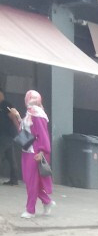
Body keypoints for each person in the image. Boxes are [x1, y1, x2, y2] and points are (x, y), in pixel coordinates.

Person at [10, 91, 53, 219]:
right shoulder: (31, 112)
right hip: (28, 150)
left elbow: (42, 134)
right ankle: (46, 201)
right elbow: (25, 130)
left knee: (31, 182)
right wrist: (18, 116)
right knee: (31, 181)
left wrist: (42, 151)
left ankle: (30, 210)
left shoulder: (36, 113)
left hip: (34, 152)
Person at [0, 89, 20, 186]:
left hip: (6, 135)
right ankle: (14, 179)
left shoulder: (5, 104)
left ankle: (14, 179)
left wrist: (18, 129)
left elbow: (13, 116)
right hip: (4, 135)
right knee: (11, 158)